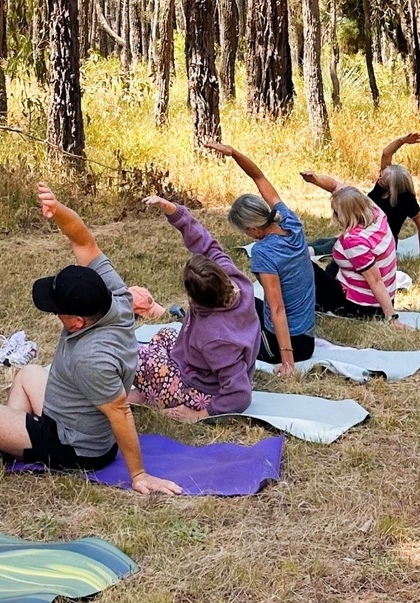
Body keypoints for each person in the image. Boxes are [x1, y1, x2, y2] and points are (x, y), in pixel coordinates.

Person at [0, 184, 183, 495]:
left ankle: (3, 449)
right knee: (29, 373)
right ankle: (8, 443)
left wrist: (139, 474)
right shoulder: (116, 299)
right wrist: (57, 210)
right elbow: (83, 240)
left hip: (77, 447)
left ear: (77, 321)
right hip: (73, 413)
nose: (54, 313)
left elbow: (121, 413)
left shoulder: (91, 357)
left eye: (58, 310)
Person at [131, 195, 259, 421]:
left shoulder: (216, 337)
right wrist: (173, 211)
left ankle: (155, 393)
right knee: (164, 335)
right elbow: (206, 244)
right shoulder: (234, 280)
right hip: (196, 365)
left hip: (201, 389)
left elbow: (240, 394)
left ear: (197, 300)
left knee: (134, 355)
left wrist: (200, 414)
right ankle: (148, 393)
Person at [205, 140, 316, 369]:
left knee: (222, 320)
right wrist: (234, 153)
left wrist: (288, 363)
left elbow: (277, 308)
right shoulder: (290, 221)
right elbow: (259, 178)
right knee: (237, 299)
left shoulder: (263, 252)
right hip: (307, 336)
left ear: (253, 229)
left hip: (288, 346)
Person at [305, 133, 420, 259]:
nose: (379, 176)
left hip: (379, 242)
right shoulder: (382, 186)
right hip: (362, 232)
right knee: (322, 242)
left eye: (382, 177)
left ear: (392, 186)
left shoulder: (406, 199)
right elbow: (386, 154)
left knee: (327, 248)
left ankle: (300, 254)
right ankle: (299, 249)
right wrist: (402, 140)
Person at [300, 173, 405, 324]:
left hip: (363, 308)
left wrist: (392, 318)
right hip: (379, 297)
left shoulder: (354, 242)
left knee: (304, 264)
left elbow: (375, 280)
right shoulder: (376, 211)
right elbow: (336, 186)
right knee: (335, 257)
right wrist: (315, 180)